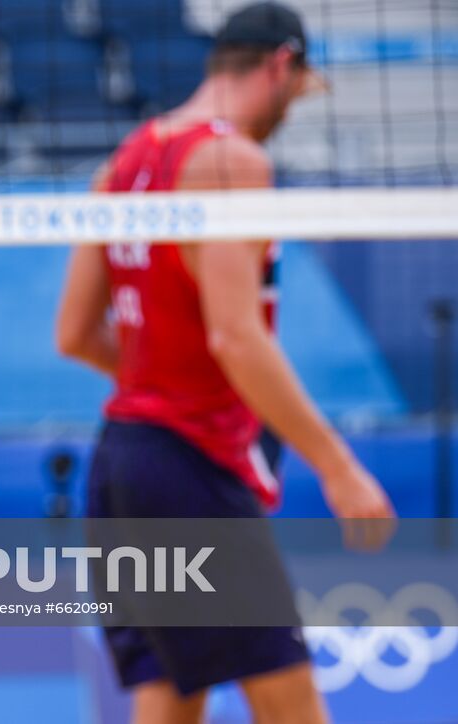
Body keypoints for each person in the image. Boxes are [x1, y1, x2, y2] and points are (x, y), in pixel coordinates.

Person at [54, 3, 394, 723]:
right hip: (189, 468)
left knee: (172, 698)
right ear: (281, 65)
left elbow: (76, 335)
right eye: (298, 93)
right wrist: (337, 464)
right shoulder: (231, 159)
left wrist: (163, 380)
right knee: (292, 706)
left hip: (120, 466)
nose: (291, 111)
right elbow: (236, 338)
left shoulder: (125, 160)